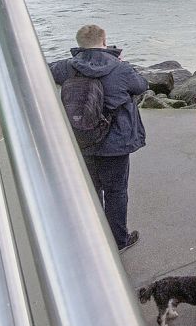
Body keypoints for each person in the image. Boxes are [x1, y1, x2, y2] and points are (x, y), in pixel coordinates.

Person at [50, 24, 148, 252]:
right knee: (116, 192)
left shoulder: (66, 68)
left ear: (79, 44)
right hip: (114, 142)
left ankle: (92, 239)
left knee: (90, 192)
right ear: (104, 41)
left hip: (82, 139)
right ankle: (118, 241)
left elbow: (40, 70)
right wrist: (123, 64)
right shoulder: (120, 69)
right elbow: (142, 85)